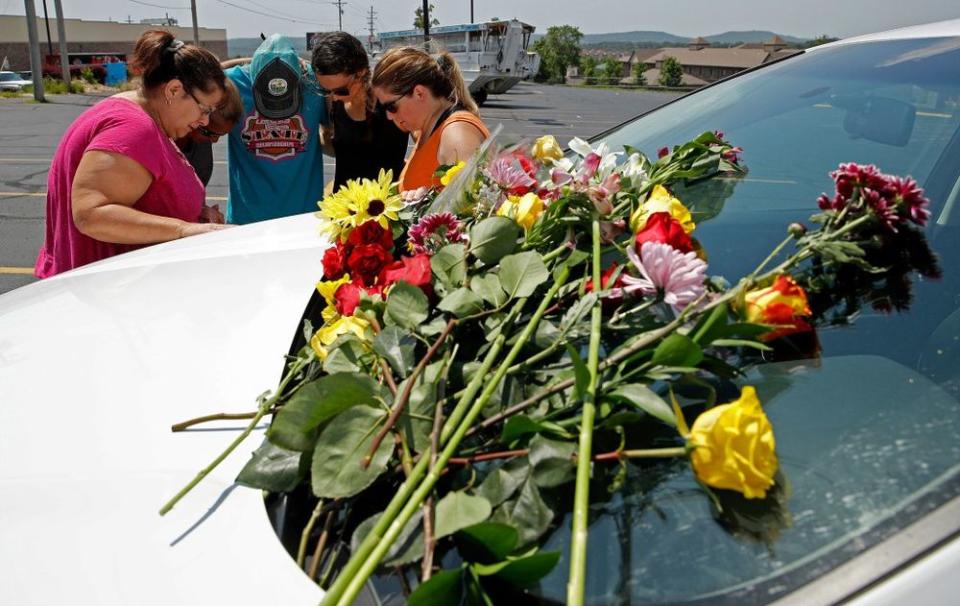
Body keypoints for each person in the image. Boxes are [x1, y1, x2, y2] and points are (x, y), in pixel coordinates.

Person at [35, 30, 230, 279]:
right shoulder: (133, 128)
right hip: (105, 294)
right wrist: (184, 229)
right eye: (204, 108)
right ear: (173, 90)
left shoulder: (137, 116)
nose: (205, 120)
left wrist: (195, 217)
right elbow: (91, 214)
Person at [224, 34, 327, 224]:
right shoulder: (232, 84)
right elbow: (199, 73)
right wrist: (249, 61)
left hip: (303, 219)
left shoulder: (314, 83)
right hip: (247, 220)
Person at [371, 46, 489, 192]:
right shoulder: (429, 130)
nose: (388, 116)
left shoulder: (456, 133)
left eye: (391, 107)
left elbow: (476, 202)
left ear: (419, 93)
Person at [310, 32, 408, 193]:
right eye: (325, 90)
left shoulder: (390, 102)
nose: (334, 97)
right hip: (343, 209)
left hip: (385, 209)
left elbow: (425, 142)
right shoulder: (333, 103)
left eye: (340, 90)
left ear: (360, 72)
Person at [175, 78, 244, 223]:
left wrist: (202, 211)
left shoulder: (200, 140)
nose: (214, 141)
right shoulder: (159, 141)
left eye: (220, 136)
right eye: (209, 133)